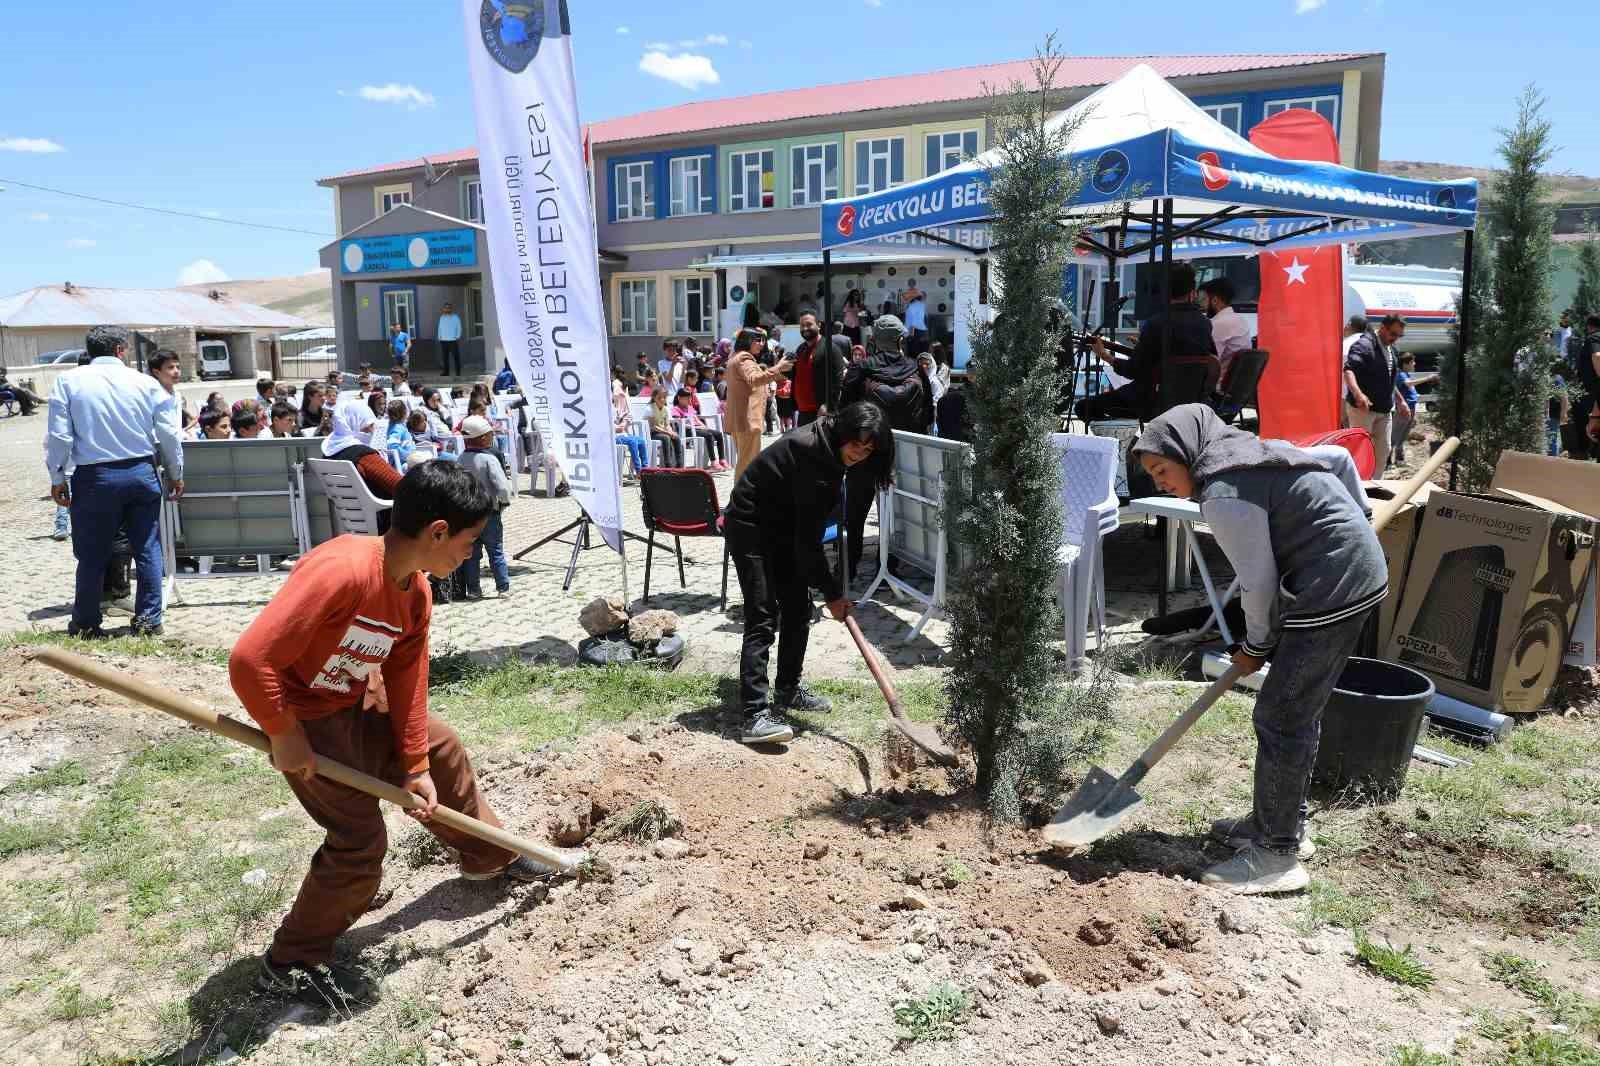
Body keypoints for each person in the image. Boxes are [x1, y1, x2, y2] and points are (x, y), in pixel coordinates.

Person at [231, 461, 546, 1004]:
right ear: (438, 532)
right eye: (471, 541)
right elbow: (250, 661)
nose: (472, 553)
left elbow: (407, 683)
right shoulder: (345, 570)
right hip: (304, 717)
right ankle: (290, 963)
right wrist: (284, 733)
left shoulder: (415, 593)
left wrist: (415, 764)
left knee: (441, 744)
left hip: (354, 696)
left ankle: (487, 853)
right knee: (358, 843)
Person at [1132, 405, 1386, 894]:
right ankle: (1280, 821)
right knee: (1293, 710)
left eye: (1162, 469)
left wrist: (1255, 644)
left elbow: (1257, 583)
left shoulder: (1224, 492)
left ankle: (1276, 853)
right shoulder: (1250, 451)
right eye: (1152, 475)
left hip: (1330, 589)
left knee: (1282, 715)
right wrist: (1360, 519)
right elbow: (1335, 459)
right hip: (1350, 575)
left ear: (1187, 452)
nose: (1159, 482)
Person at [722, 403, 895, 744]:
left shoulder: (831, 451)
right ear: (843, 432)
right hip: (751, 524)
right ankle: (754, 714)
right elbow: (809, 546)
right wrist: (832, 594)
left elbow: (805, 538)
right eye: (856, 444)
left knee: (799, 609)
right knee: (763, 614)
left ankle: (787, 689)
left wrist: (827, 592)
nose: (859, 454)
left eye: (868, 450)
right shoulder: (812, 454)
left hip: (785, 525)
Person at [45, 326, 184, 639]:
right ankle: (148, 620)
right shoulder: (146, 383)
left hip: (94, 477)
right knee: (147, 548)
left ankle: (86, 623)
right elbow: (168, 435)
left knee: (92, 553)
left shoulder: (67, 381)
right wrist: (176, 473)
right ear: (121, 349)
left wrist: (57, 476)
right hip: (140, 473)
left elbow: (59, 436)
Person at [840, 315, 933, 581]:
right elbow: (928, 413)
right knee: (893, 515)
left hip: (863, 453)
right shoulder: (916, 370)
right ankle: (889, 567)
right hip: (900, 454)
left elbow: (844, 411)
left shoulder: (861, 369)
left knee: (856, 514)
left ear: (874, 340)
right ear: (901, 340)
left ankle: (849, 568)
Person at [1080, 262, 1216, 423]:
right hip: (1192, 402)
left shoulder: (1156, 324)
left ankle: (1125, 443)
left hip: (1152, 401)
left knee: (1084, 407)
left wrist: (1105, 355)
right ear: (1192, 292)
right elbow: (1208, 360)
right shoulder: (1204, 323)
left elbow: (1134, 370)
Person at [452, 416, 513, 599]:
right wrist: (503, 502)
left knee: (471, 553)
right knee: (495, 551)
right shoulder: (489, 460)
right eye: (489, 434)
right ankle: (502, 587)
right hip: (490, 513)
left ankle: (473, 589)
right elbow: (502, 488)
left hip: (468, 515)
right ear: (482, 438)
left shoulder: (460, 459)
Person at [1343, 314, 1410, 473]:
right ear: (1382, 328)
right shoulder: (1365, 345)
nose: (1396, 338)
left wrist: (1401, 401)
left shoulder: (1392, 349)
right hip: (1362, 411)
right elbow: (1349, 370)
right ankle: (1358, 488)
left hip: (1384, 411)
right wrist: (1359, 395)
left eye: (1399, 336)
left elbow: (1388, 380)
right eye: (1393, 334)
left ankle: (1375, 489)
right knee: (1361, 452)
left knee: (1383, 451)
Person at [725, 330, 791, 483]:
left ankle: (740, 498)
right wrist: (779, 366)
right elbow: (754, 379)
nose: (761, 344)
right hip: (748, 420)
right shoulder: (744, 358)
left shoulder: (735, 357)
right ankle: (741, 500)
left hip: (741, 419)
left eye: (763, 340)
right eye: (757, 340)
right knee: (748, 462)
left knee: (745, 460)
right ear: (747, 340)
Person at [322, 396, 404, 500]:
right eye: (368, 425)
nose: (373, 430)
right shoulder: (363, 456)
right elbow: (401, 487)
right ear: (353, 424)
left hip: (349, 513)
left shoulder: (329, 452)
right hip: (382, 513)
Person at [790, 311, 848, 427]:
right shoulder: (800, 349)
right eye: (802, 325)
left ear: (819, 325)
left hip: (820, 413)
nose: (805, 328)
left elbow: (837, 381)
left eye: (809, 324)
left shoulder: (830, 348)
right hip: (802, 412)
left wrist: (828, 405)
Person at [1200, 278, 1252, 388]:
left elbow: (1208, 361)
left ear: (1214, 301)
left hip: (1218, 387)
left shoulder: (1219, 324)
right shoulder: (1240, 320)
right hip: (1236, 387)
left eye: (1204, 299)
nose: (1201, 306)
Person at [673, 388, 728, 470]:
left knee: (718, 434)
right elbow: (679, 424)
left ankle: (722, 459)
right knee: (708, 435)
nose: (689, 400)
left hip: (697, 429)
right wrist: (696, 427)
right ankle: (713, 461)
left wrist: (704, 426)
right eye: (687, 398)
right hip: (687, 431)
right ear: (679, 398)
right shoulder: (676, 409)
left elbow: (697, 420)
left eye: (690, 397)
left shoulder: (690, 408)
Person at [613, 387, 650, 480]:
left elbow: (627, 417)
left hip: (623, 434)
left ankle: (645, 468)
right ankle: (638, 471)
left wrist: (625, 422)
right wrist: (617, 427)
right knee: (632, 441)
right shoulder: (605, 408)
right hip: (613, 436)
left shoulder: (619, 406)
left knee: (641, 441)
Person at [1391, 354, 1421, 465]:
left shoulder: (1406, 374)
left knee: (1403, 435)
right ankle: (1388, 462)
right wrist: (1428, 378)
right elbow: (1408, 384)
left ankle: (1400, 460)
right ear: (1405, 363)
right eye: (1412, 362)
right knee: (1395, 435)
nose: (1414, 364)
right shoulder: (1400, 374)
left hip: (1411, 408)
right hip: (1403, 409)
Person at [648, 388, 684, 468]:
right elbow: (653, 426)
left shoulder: (665, 409)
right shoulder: (650, 409)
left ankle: (679, 464)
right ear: (654, 398)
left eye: (664, 397)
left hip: (662, 432)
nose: (662, 399)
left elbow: (667, 424)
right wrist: (668, 433)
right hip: (651, 433)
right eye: (659, 397)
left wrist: (671, 432)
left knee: (676, 437)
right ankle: (668, 464)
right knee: (666, 438)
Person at [899, 285, 929, 357]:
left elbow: (911, 323)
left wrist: (906, 336)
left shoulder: (912, 307)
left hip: (915, 336)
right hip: (923, 335)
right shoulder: (922, 305)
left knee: (913, 357)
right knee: (922, 357)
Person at [385, 400, 415, 466]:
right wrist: (408, 456)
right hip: (403, 464)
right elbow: (392, 445)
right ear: (404, 413)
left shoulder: (398, 426)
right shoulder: (397, 428)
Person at [437, 303, 463, 377]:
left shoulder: (455, 317)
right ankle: (446, 372)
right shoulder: (442, 317)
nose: (447, 309)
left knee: (456, 357)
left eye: (448, 308)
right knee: (445, 358)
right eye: (445, 308)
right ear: (443, 309)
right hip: (444, 340)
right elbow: (439, 328)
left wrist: (457, 336)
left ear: (451, 309)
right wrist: (439, 337)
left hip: (453, 340)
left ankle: (458, 373)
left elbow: (459, 327)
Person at [1549, 369, 1570, 457]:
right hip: (1551, 415)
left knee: (1553, 439)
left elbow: (1564, 396)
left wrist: (1564, 413)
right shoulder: (1553, 379)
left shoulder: (1557, 379)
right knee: (1553, 438)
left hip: (1554, 415)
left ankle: (1553, 460)